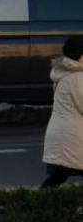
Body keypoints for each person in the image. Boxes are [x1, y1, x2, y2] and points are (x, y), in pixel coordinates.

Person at [41, 35, 83, 189]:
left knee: (57, 177)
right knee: (58, 177)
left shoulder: (62, 75)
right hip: (73, 138)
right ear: (80, 57)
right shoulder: (77, 77)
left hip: (60, 134)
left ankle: (36, 206)